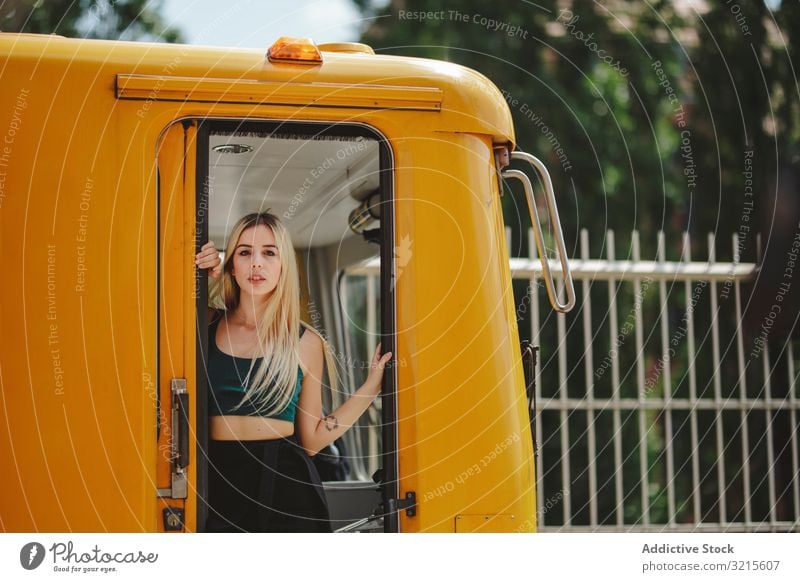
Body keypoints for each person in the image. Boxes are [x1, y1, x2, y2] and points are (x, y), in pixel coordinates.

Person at [194, 211, 392, 532]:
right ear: (231, 264)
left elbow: (311, 440)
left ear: (284, 264)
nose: (256, 263)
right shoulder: (205, 322)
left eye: (269, 253)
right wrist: (202, 273)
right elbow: (156, 301)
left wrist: (369, 388)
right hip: (216, 482)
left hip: (286, 490)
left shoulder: (305, 342)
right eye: (244, 252)